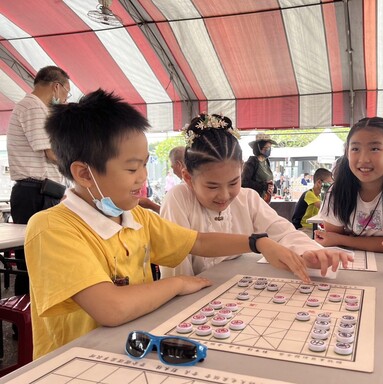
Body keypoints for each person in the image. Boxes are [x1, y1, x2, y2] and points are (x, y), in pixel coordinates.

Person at [25, 90, 316, 359]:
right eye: (131, 167)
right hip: (75, 361)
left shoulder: (138, 217)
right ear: (85, 174)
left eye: (144, 164)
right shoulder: (52, 228)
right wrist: (176, 283)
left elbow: (197, 241)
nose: (142, 177)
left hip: (132, 349)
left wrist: (257, 242)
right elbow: (110, 308)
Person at [160, 113, 352, 278]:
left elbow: (283, 232)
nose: (225, 195)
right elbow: (177, 269)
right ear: (187, 177)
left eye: (234, 183)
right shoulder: (179, 199)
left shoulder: (248, 198)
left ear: (242, 169)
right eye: (212, 186)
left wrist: (308, 253)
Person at [315, 117, 383, 253]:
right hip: (349, 265)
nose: (363, 159)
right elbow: (332, 241)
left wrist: (342, 239)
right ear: (347, 152)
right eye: (355, 149)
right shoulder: (337, 192)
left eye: (374, 149)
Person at [6, 65, 71, 298]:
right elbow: (49, 152)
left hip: (41, 191)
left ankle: (33, 317)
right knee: (35, 260)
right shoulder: (34, 107)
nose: (65, 99)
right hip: (35, 192)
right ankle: (27, 320)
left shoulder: (37, 107)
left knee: (40, 259)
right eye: (66, 92)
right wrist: (75, 168)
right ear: (56, 87)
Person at [292, 168, 333, 233]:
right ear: (319, 182)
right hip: (303, 228)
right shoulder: (309, 194)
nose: (331, 186)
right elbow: (323, 207)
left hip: (312, 227)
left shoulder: (318, 196)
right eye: (329, 183)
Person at [242, 133, 276, 203]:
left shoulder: (266, 161)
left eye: (270, 148)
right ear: (258, 148)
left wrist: (273, 187)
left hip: (265, 199)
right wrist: (264, 186)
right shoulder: (252, 162)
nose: (268, 150)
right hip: (254, 200)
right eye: (266, 148)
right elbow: (244, 183)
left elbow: (268, 179)